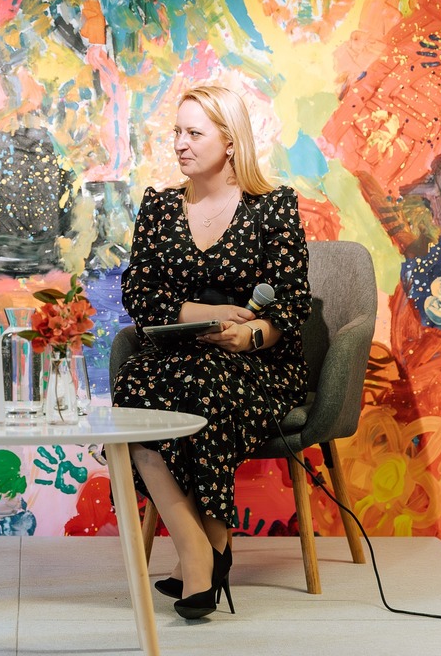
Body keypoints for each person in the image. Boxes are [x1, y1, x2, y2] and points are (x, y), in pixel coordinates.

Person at [113, 84, 311, 619]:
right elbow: (139, 293)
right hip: (176, 355)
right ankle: (199, 547)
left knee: (204, 382)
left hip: (256, 362)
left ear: (230, 141)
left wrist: (248, 334)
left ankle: (209, 551)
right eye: (177, 131)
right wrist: (204, 314)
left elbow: (292, 302)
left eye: (194, 133)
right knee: (133, 387)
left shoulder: (272, 207)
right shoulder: (160, 207)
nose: (180, 143)